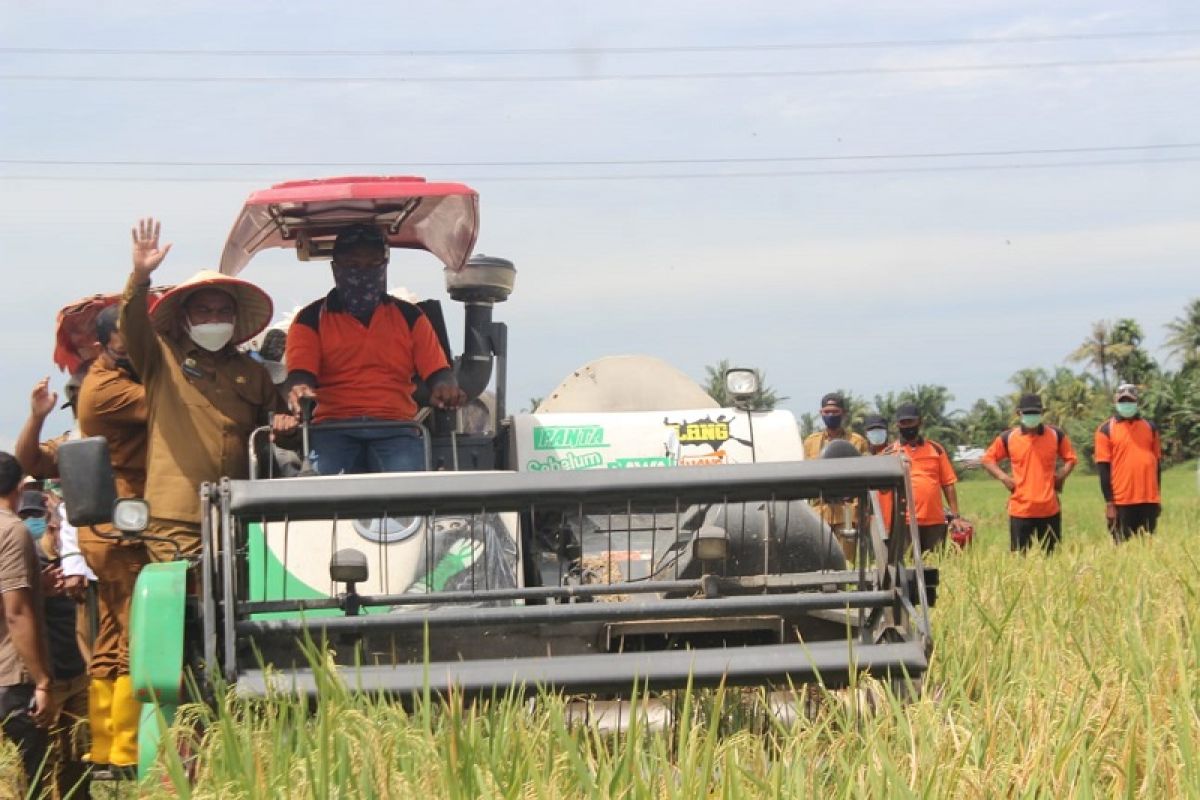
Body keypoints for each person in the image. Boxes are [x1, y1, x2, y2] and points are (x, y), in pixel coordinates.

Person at [120, 217, 295, 561]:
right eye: (203, 310)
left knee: (239, 608)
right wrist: (140, 277)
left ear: (233, 318)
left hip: (240, 513)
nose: (213, 318)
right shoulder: (160, 356)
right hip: (177, 516)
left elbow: (279, 427)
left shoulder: (253, 372)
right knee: (181, 605)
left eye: (222, 311)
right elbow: (131, 324)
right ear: (184, 317)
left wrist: (288, 429)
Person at [284, 223, 466, 475]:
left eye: (373, 264)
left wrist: (446, 385)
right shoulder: (310, 318)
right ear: (336, 268)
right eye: (353, 265)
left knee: (407, 498)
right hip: (333, 428)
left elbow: (438, 371)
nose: (364, 273)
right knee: (323, 499)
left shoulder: (410, 315)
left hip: (396, 427)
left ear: (385, 266)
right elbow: (300, 375)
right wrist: (299, 389)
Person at [76, 303, 150, 770]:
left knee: (110, 631)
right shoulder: (108, 388)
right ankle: (127, 745)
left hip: (107, 521)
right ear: (105, 344)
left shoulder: (102, 379)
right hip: (123, 520)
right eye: (129, 335)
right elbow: (166, 401)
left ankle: (103, 744)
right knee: (134, 628)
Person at [18, 488, 91, 797]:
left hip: (79, 675)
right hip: (48, 680)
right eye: (63, 532)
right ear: (51, 527)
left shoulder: (80, 563)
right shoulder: (32, 561)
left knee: (78, 761)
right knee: (41, 768)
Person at [0, 453, 58, 794]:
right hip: (11, 679)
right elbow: (16, 613)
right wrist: (42, 682)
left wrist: (40, 589)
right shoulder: (12, 531)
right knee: (34, 781)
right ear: (20, 487)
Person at [980, 394, 1078, 553]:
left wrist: (1062, 474)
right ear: (1019, 414)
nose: (1032, 417)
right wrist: (1003, 477)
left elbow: (1071, 458)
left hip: (1049, 509)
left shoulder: (1055, 435)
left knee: (1052, 559)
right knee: (1020, 558)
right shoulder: (1008, 438)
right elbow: (987, 459)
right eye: (1028, 413)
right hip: (1021, 509)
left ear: (1042, 413)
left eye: (1035, 413)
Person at [888, 403, 965, 553]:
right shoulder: (890, 453)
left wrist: (955, 516)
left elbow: (948, 484)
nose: (907, 426)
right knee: (908, 568)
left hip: (934, 521)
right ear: (897, 425)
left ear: (920, 422)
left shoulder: (935, 449)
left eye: (911, 422)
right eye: (903, 422)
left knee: (934, 567)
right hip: (905, 522)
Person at [1095, 383, 1162, 542]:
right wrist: (1110, 503)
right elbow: (1103, 469)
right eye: (1123, 401)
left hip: (1148, 499)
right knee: (1122, 547)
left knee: (1147, 547)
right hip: (1122, 501)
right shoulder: (1105, 430)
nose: (1126, 405)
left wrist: (1157, 497)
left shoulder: (1150, 427)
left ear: (1137, 402)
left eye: (1130, 401)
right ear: (1116, 402)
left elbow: (1157, 465)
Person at [803, 393, 868, 459]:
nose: (831, 415)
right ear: (821, 413)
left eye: (835, 411)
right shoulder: (811, 441)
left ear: (843, 413)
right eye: (827, 412)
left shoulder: (858, 441)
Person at [863, 414, 895, 535]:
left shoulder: (893, 454)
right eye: (872, 430)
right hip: (874, 518)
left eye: (880, 430)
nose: (876, 433)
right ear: (867, 434)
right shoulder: (865, 459)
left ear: (886, 432)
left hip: (894, 516)